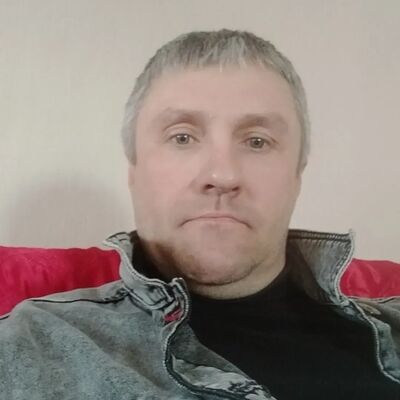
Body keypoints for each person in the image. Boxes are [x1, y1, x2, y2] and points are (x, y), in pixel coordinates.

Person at [0, 29, 399, 400]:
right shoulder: (30, 346)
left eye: (257, 141)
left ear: (298, 175)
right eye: (182, 137)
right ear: (133, 171)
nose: (222, 176)